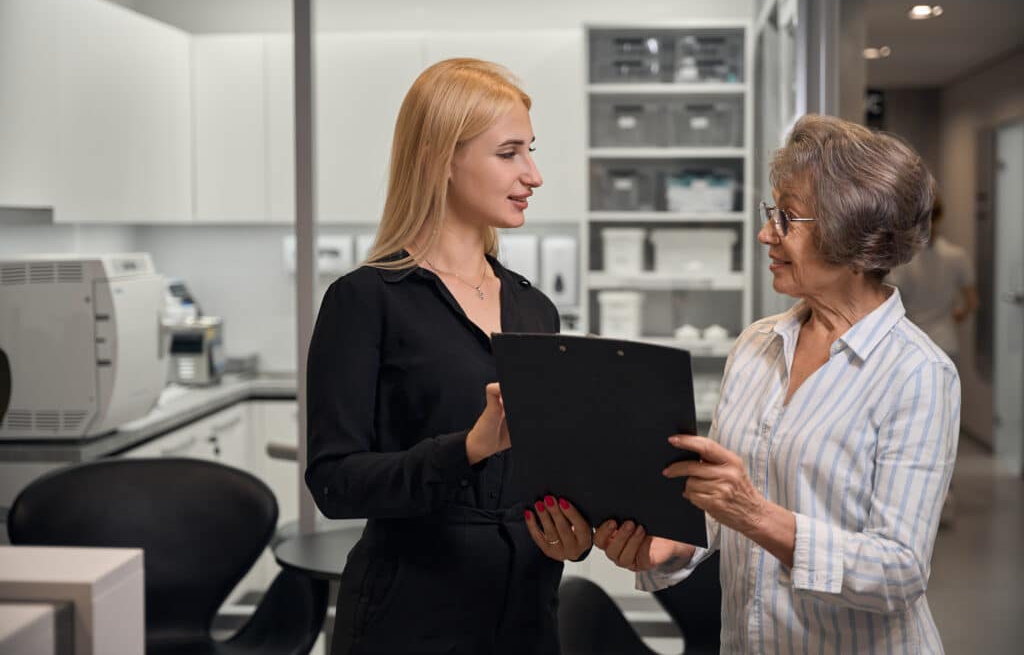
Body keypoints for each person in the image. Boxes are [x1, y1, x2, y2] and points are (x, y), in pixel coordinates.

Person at [593, 115, 960, 653]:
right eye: (772, 214)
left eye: (787, 218)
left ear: (852, 233)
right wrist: (668, 551)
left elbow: (899, 572)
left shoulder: (918, 373)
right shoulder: (757, 344)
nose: (767, 233)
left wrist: (756, 515)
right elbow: (722, 513)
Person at [305, 58, 592, 655]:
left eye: (531, 150)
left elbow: (549, 475)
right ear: (442, 158)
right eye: (509, 152)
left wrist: (577, 531)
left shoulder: (535, 310)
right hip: (410, 619)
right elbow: (334, 484)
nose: (534, 174)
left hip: (527, 616)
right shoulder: (364, 301)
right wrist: (467, 449)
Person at [888, 190, 977, 527]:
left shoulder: (902, 259)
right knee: (944, 424)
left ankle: (914, 501)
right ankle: (946, 496)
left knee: (910, 427)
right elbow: (970, 303)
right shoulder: (957, 255)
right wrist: (951, 316)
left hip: (909, 349)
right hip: (945, 345)